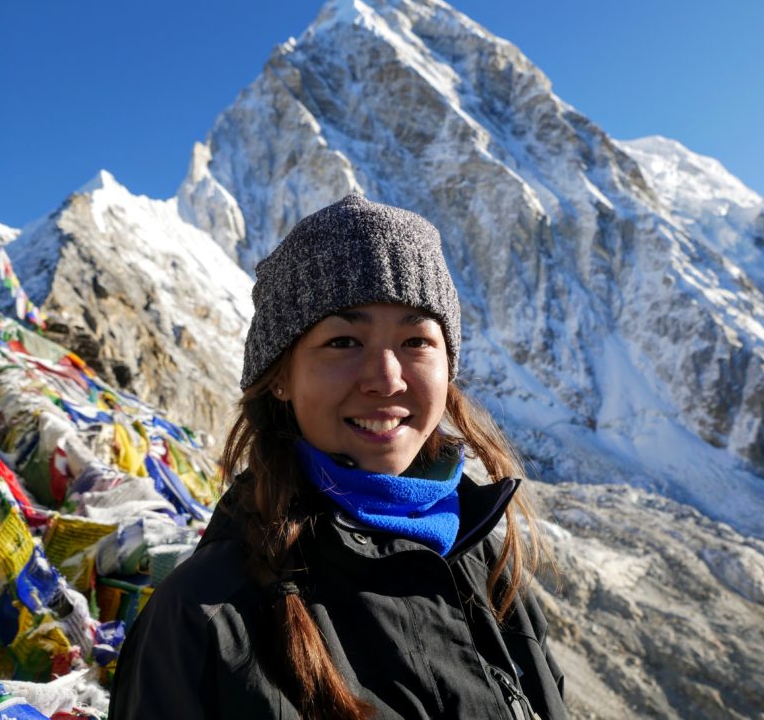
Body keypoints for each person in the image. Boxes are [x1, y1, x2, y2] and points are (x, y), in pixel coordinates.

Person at [108, 193, 568, 719]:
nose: (387, 379)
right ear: (280, 376)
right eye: (344, 341)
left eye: (417, 341)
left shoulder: (494, 575)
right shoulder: (207, 618)